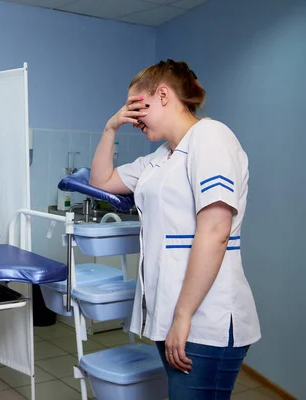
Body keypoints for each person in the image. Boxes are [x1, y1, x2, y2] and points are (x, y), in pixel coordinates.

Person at [89, 59, 261, 399]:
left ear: (164, 95)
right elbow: (102, 181)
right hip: (173, 318)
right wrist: (111, 128)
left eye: (139, 108)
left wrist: (183, 317)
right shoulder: (160, 158)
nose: (134, 119)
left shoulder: (210, 137)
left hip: (203, 320)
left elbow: (215, 231)